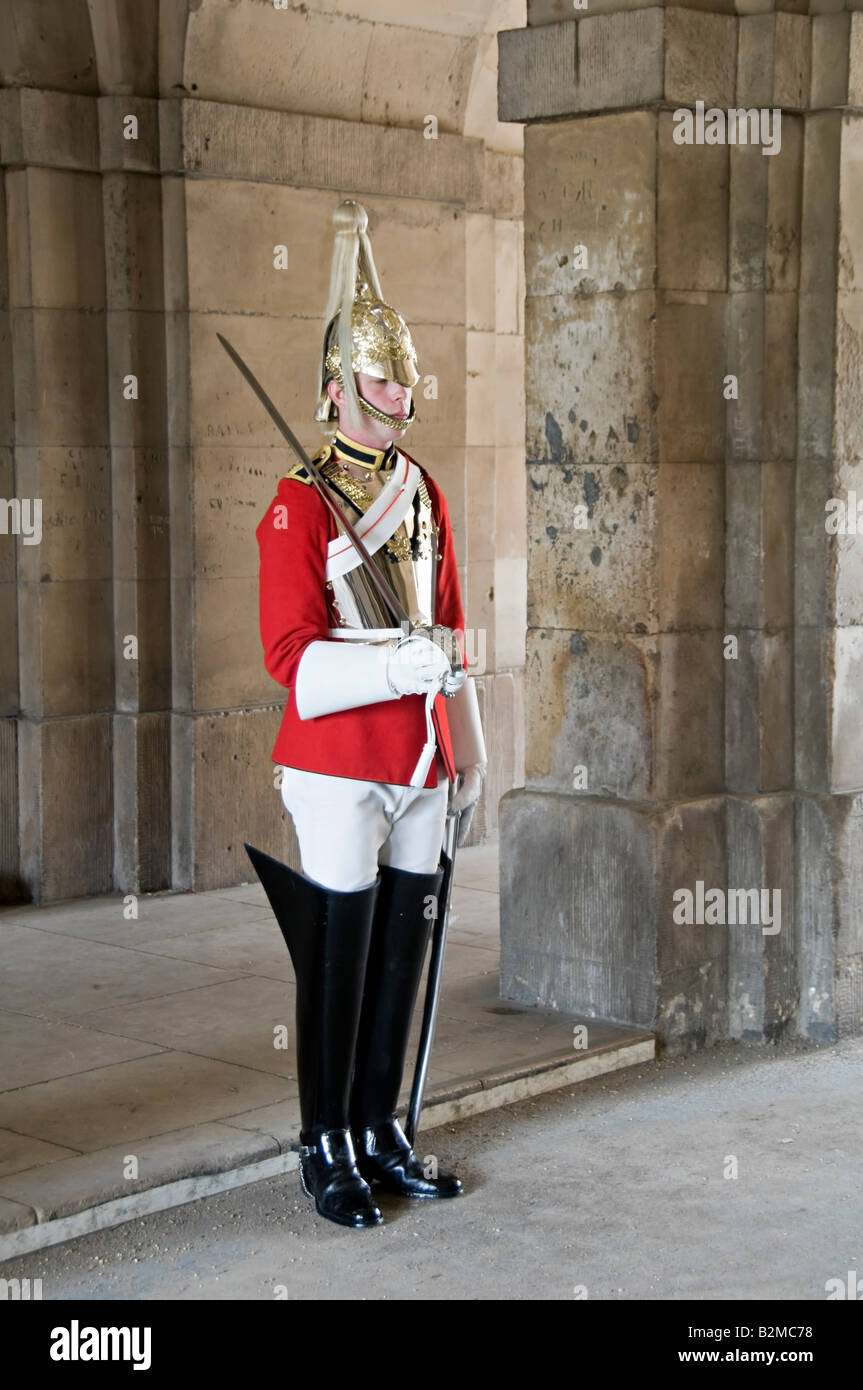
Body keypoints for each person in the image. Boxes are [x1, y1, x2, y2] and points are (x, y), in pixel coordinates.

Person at [245, 199, 487, 1229]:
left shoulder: (421, 489)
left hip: (426, 758)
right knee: (339, 956)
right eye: (382, 378)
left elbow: (454, 625)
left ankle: (382, 1126)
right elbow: (294, 666)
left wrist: (471, 749)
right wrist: (400, 660)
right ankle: (325, 1139)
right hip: (340, 762)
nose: (400, 394)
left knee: (402, 950)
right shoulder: (297, 504)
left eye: (406, 377)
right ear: (339, 386)